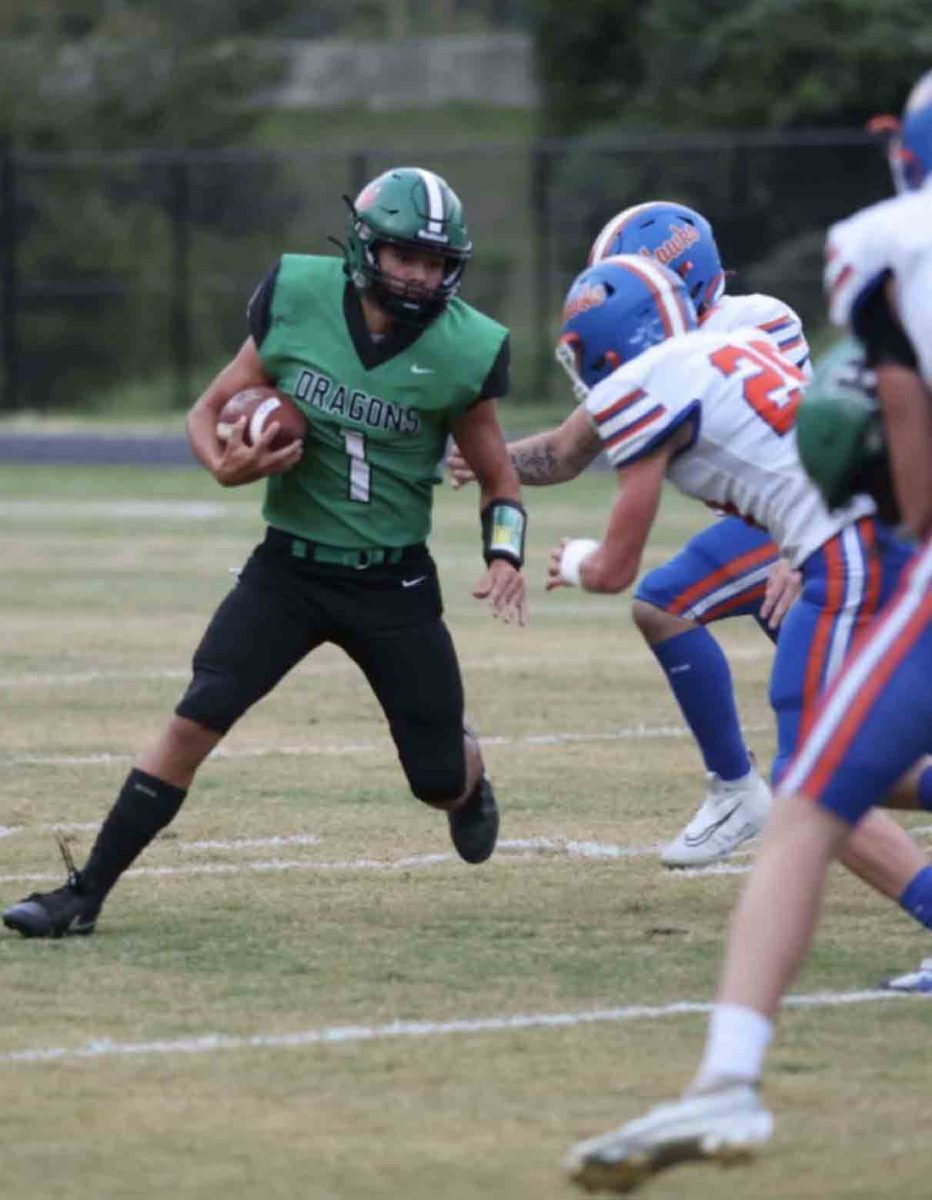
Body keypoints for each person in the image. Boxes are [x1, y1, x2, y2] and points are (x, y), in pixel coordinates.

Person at [563, 70, 932, 1192]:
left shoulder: (878, 249)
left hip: (873, 549)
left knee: (810, 785)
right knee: (820, 772)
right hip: (855, 545)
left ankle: (727, 1076)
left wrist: (830, 507)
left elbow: (898, 463)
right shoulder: (753, 327)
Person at [2, 166, 528, 939]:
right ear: (364, 249)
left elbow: (498, 477)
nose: (420, 276)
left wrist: (505, 555)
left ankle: (468, 776)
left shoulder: (466, 348)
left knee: (437, 778)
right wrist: (222, 462)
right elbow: (210, 408)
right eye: (405, 257)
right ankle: (83, 894)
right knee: (197, 715)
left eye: (436, 262)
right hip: (289, 568)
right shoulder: (298, 295)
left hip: (392, 582)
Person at [449, 201, 808, 867]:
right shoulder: (728, 336)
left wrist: (580, 562)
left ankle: (747, 792)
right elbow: (565, 450)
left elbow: (614, 550)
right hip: (813, 522)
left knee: (675, 607)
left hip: (821, 527)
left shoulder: (725, 337)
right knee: (833, 713)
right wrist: (486, 458)